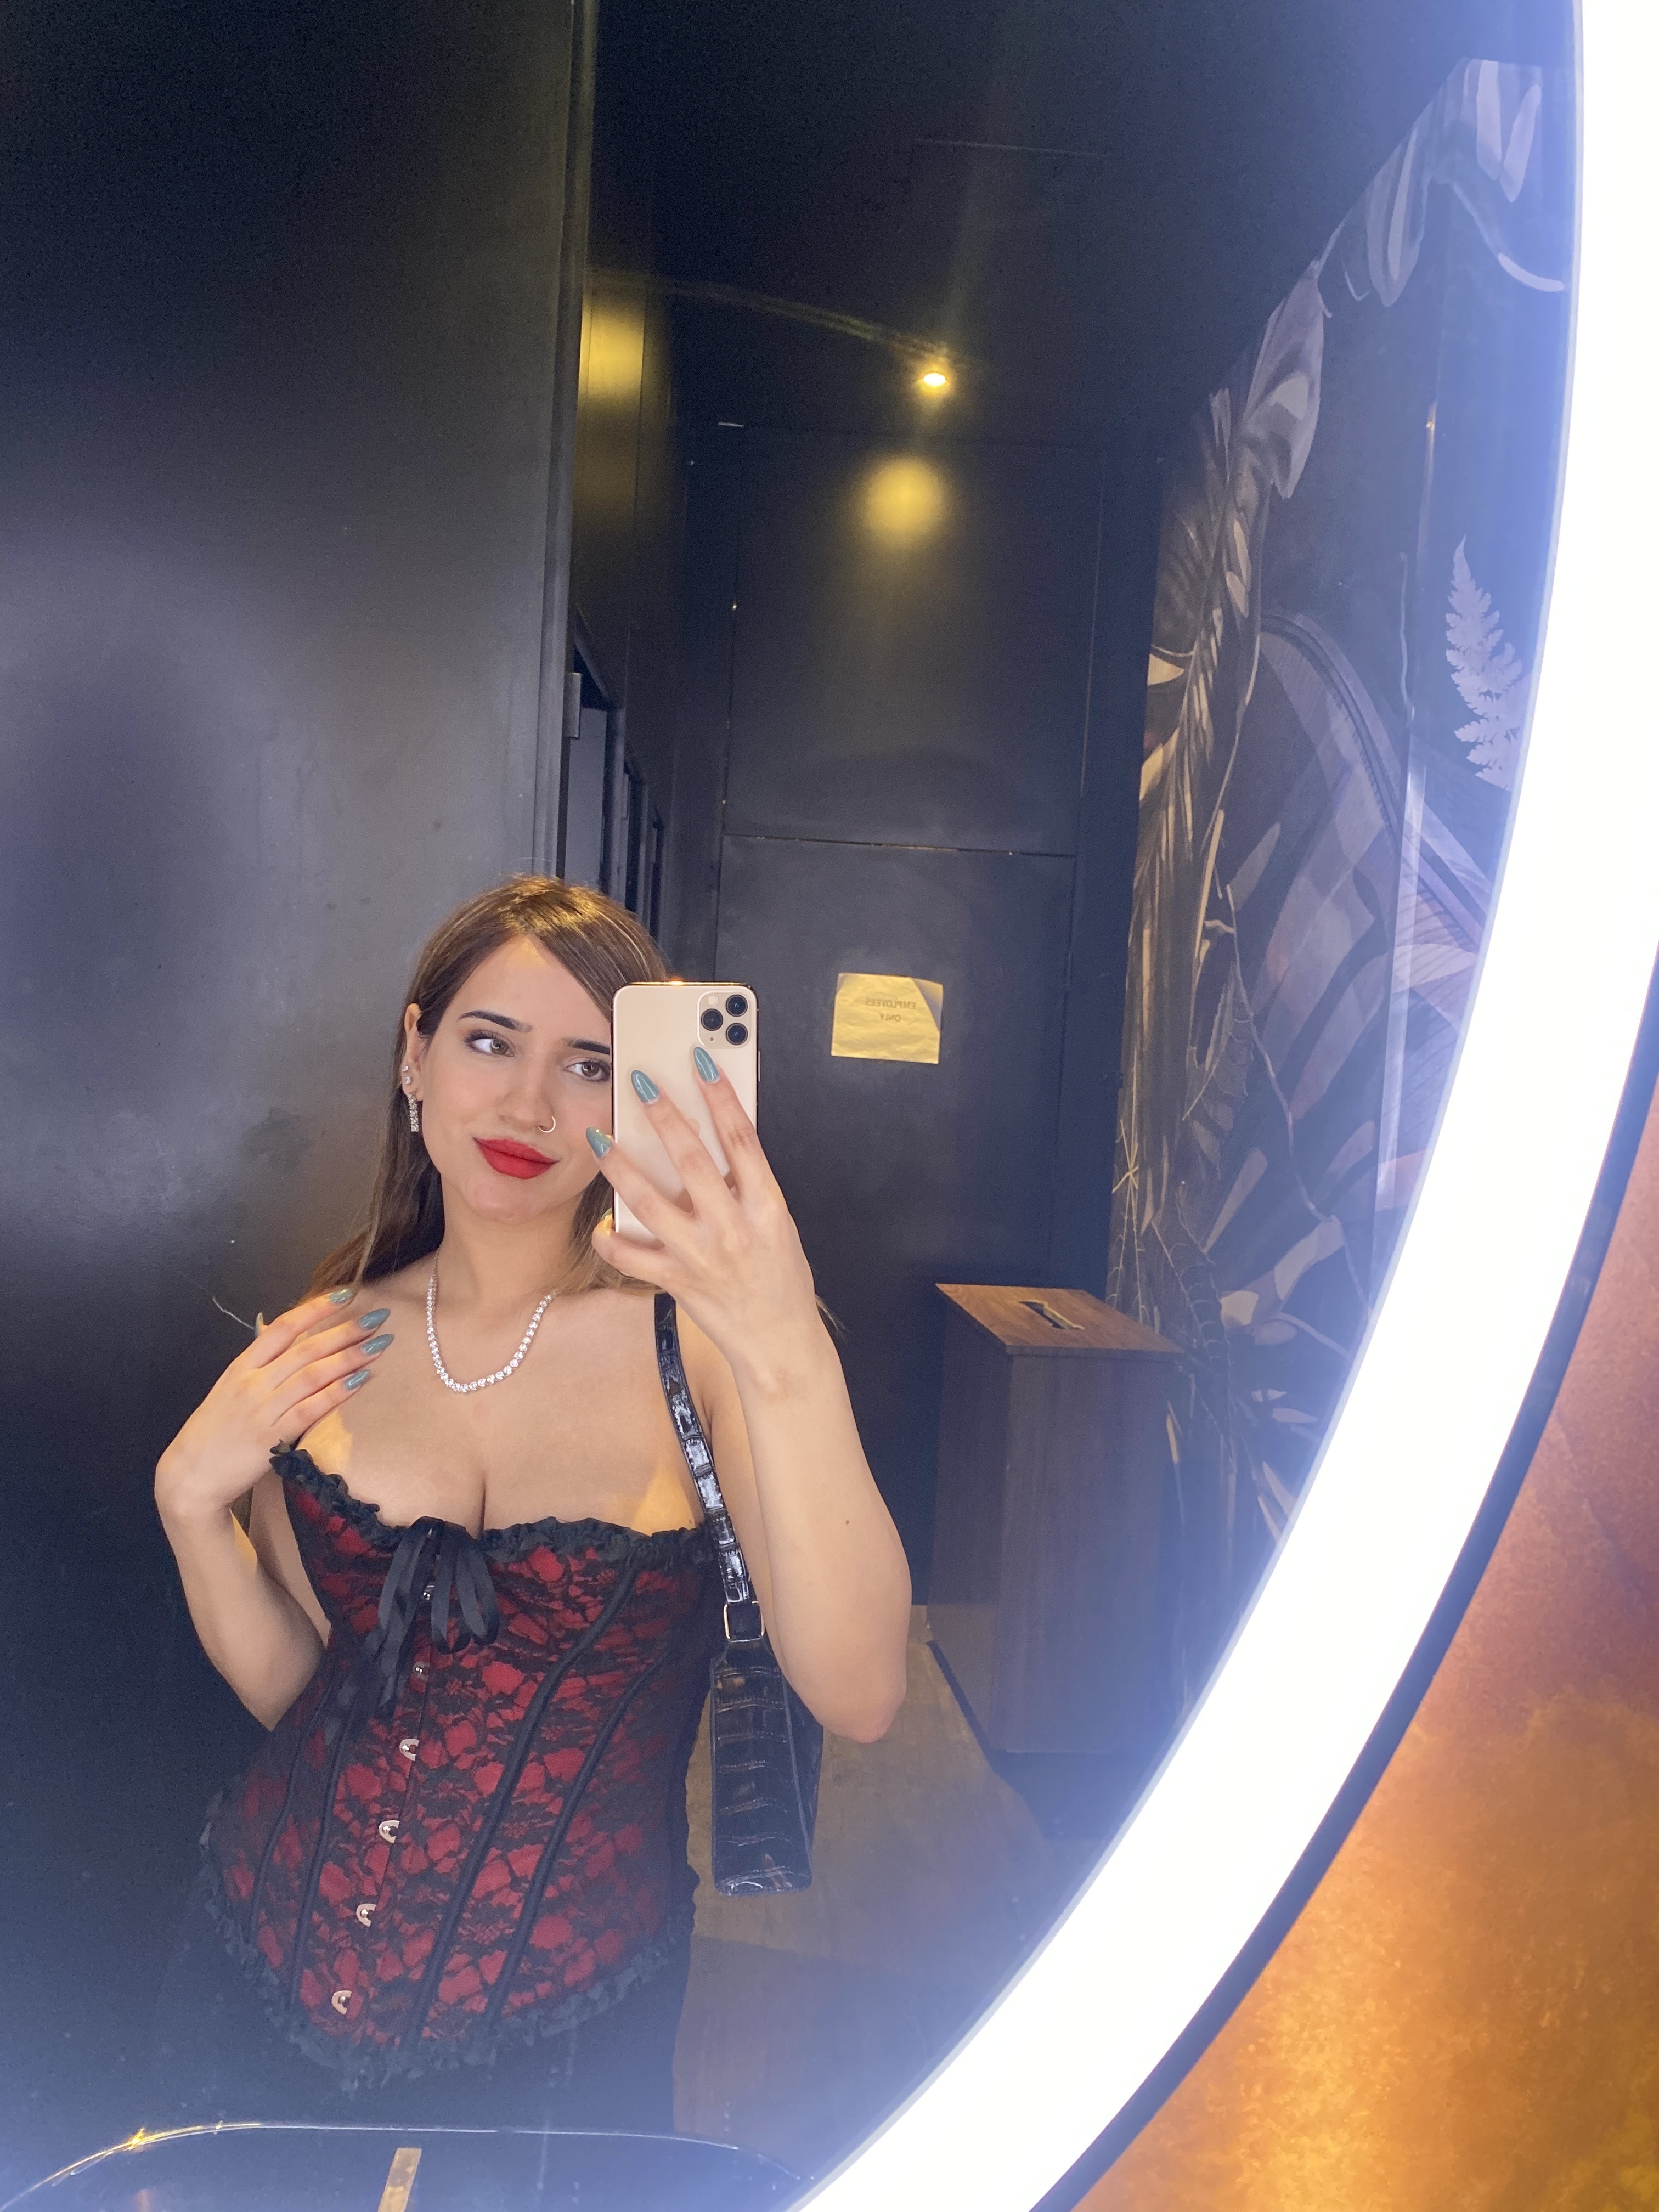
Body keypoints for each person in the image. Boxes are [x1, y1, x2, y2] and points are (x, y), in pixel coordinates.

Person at [150, 874, 911, 2132]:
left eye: (591, 1065)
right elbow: (306, 1690)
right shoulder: (329, 1337)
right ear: (416, 1054)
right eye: (491, 1043)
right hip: (249, 1977)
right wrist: (191, 1509)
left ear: (642, 1091)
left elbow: (862, 1689)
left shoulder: (707, 1351)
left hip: (564, 2041)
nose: (528, 1106)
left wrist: (784, 1341)